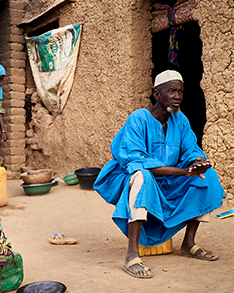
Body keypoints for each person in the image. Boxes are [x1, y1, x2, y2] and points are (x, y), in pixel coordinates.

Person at [93, 70, 225, 279]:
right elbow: (136, 160)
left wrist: (197, 162)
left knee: (207, 178)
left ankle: (188, 243)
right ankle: (131, 256)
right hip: (138, 177)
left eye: (180, 91)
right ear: (157, 94)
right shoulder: (138, 119)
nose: (178, 96)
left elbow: (191, 149)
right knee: (141, 176)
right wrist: (183, 171)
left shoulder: (180, 120)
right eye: (171, 90)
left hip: (168, 180)